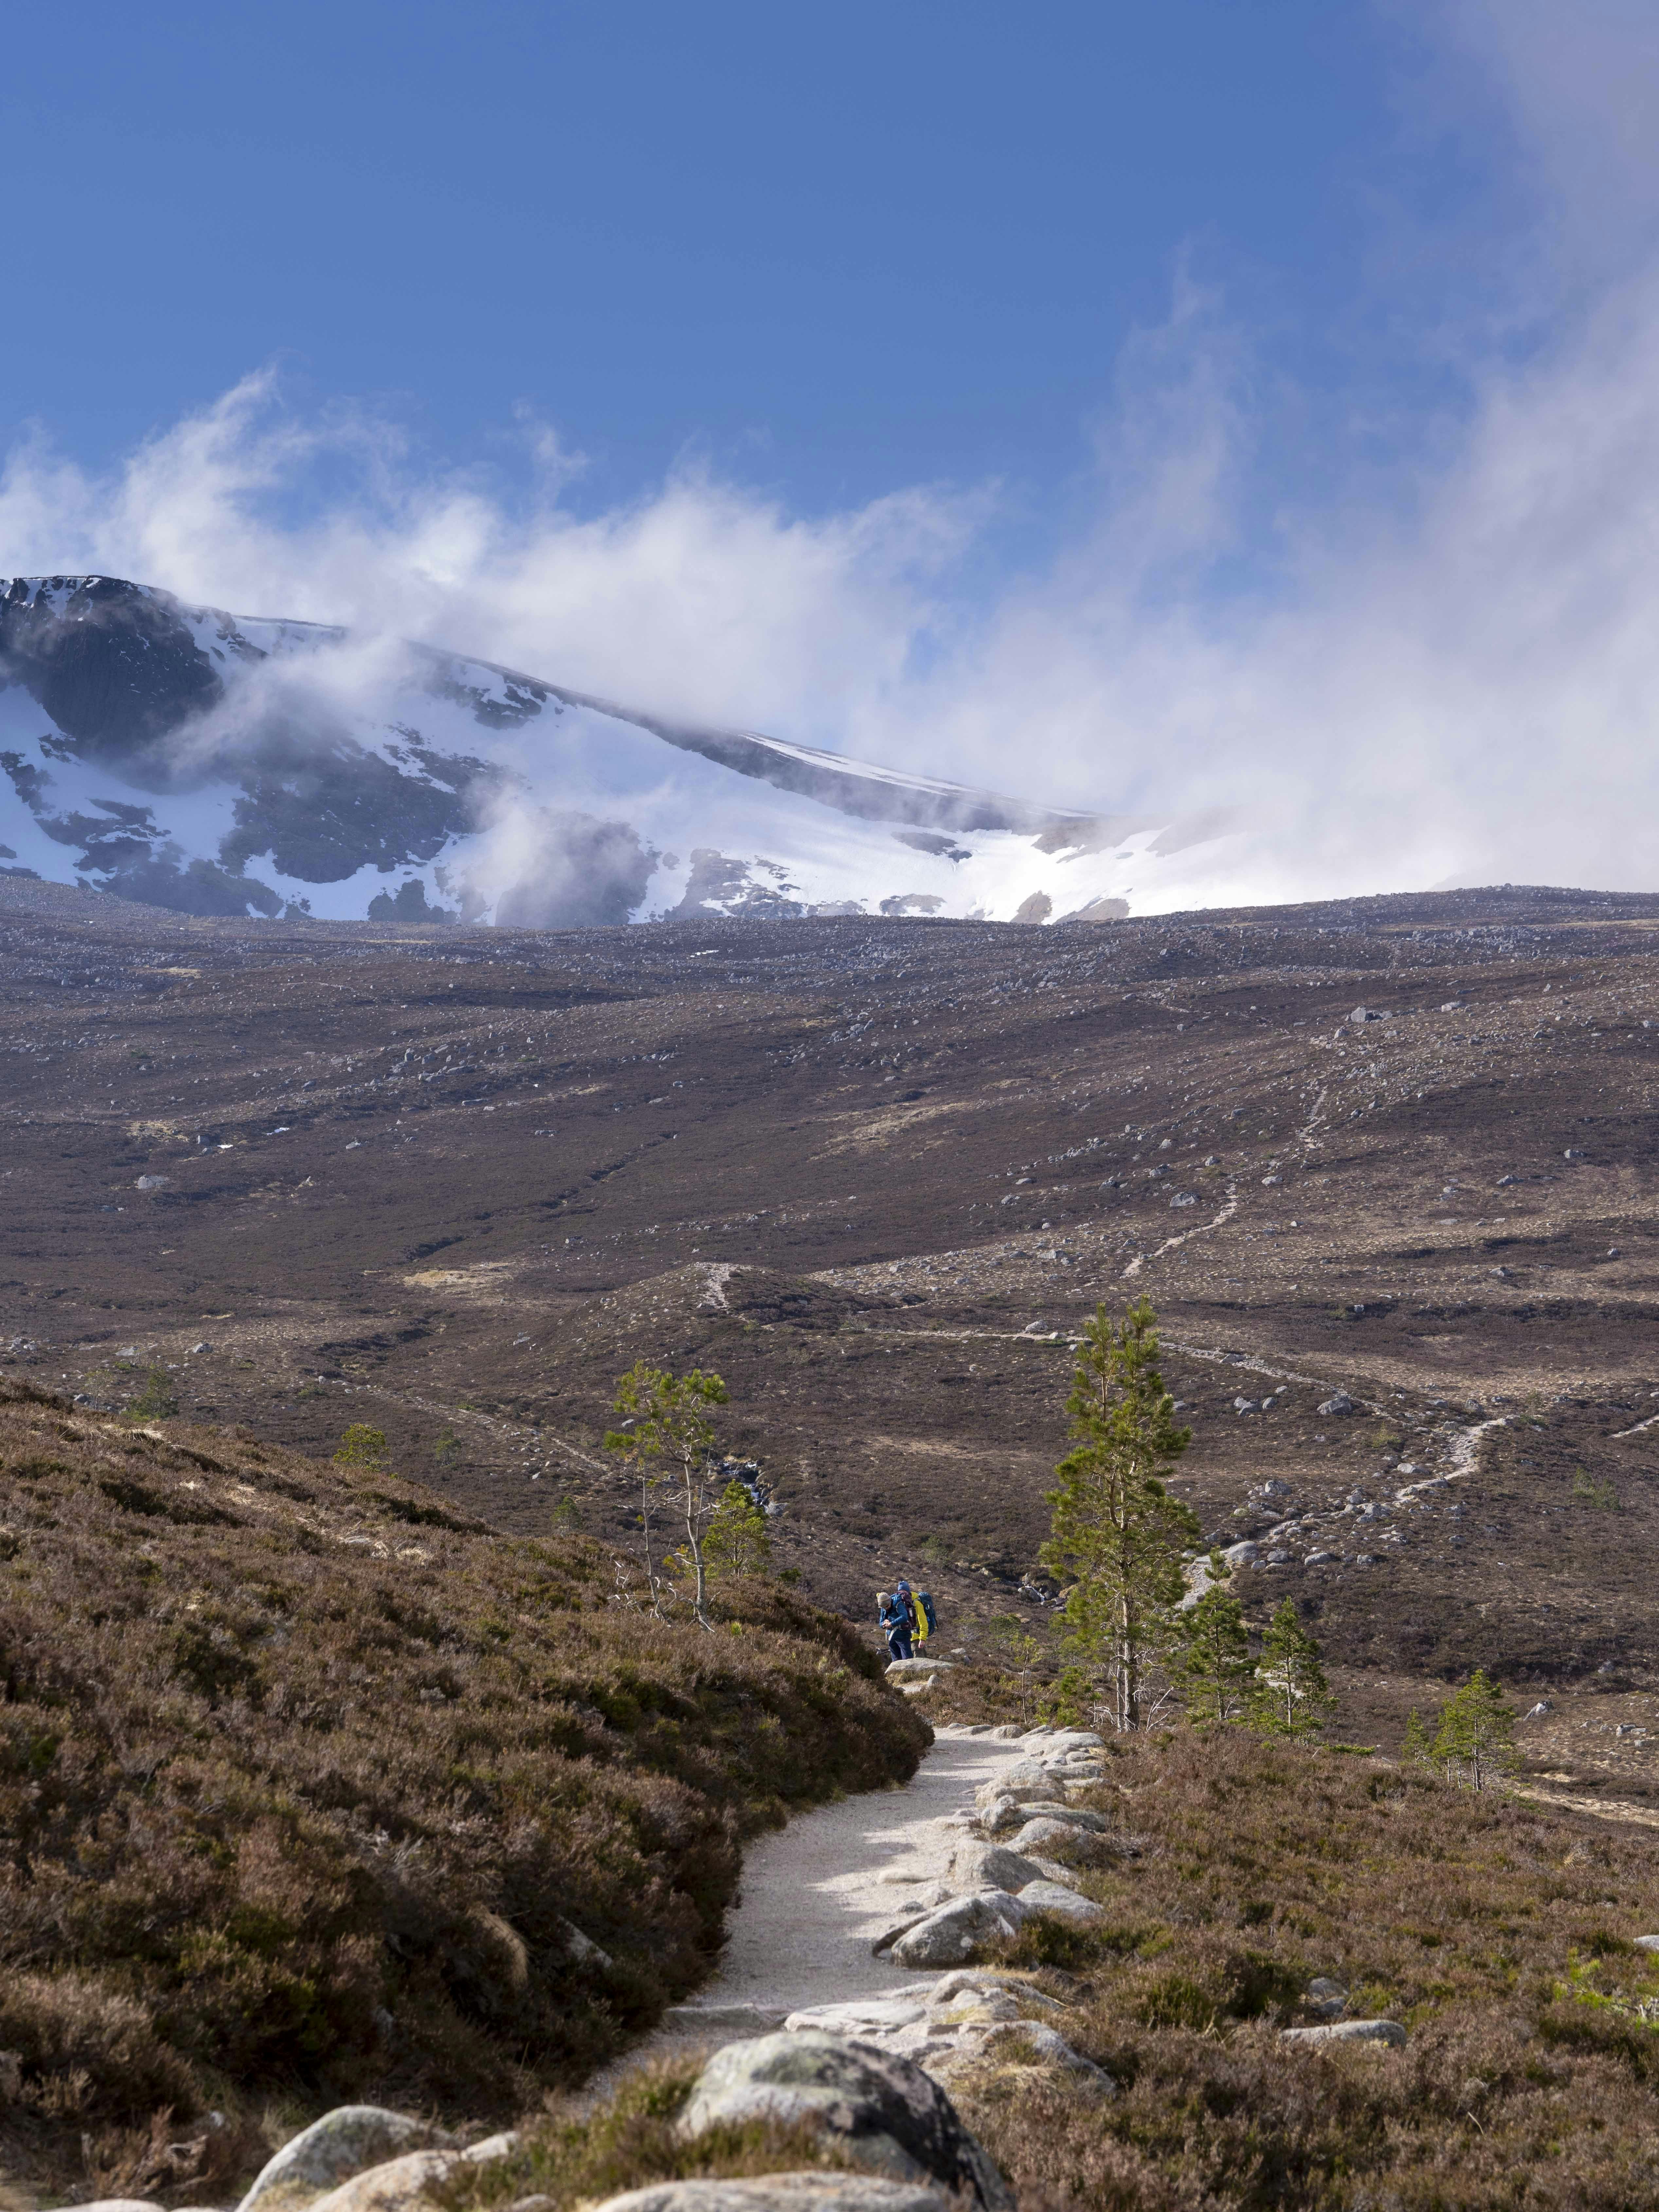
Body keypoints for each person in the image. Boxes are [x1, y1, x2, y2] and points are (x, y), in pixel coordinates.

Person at [877, 1589, 912, 1661]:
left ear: (890, 1601)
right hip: (892, 1638)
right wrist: (884, 1624)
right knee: (896, 1662)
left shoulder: (899, 1604)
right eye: (883, 1608)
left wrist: (892, 1624)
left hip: (903, 1637)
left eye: (887, 1606)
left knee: (907, 1661)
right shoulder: (884, 1608)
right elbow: (880, 1622)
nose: (886, 1609)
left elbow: (904, 1617)